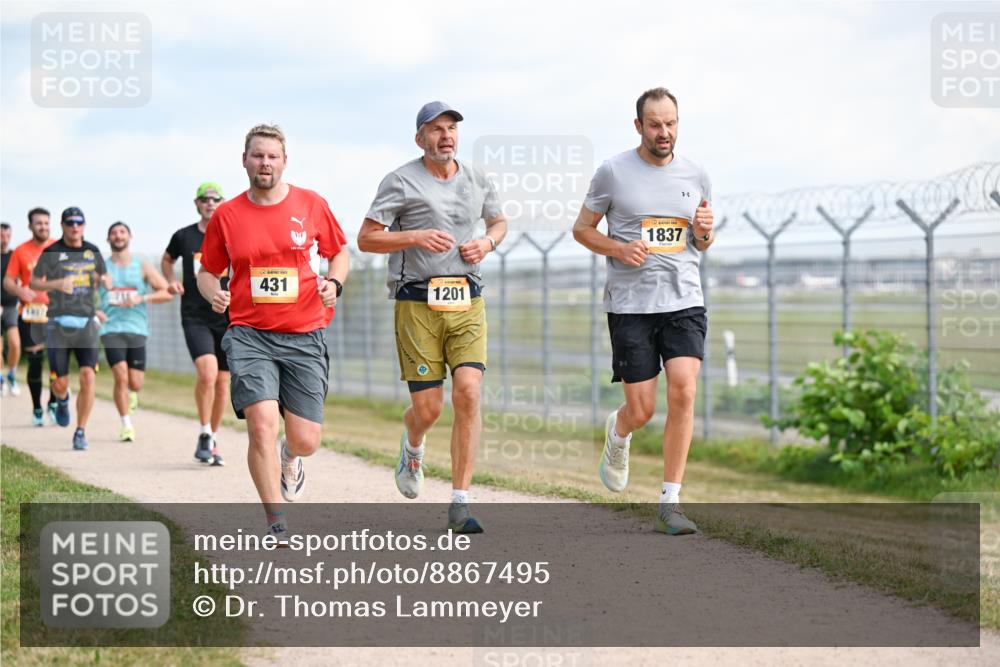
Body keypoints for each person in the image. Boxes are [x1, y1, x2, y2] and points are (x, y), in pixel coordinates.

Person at [357, 101, 507, 534]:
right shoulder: (400, 181)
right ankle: (414, 443)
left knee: (469, 393)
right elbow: (367, 238)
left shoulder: (477, 178)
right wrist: (415, 236)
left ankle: (460, 502)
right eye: (436, 129)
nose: (446, 136)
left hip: (467, 301)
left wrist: (488, 244)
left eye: (452, 128)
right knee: (428, 408)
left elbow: (498, 223)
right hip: (417, 303)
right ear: (419, 138)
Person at [572, 87, 716, 536]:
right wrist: (618, 247)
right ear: (639, 126)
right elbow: (581, 229)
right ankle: (619, 431)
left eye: (671, 123)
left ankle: (671, 502)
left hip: (684, 298)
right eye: (655, 124)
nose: (664, 132)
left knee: (685, 391)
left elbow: (701, 242)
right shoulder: (613, 172)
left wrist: (705, 234)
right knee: (643, 409)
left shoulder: (697, 174)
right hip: (631, 304)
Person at [197, 123, 348, 538]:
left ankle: (290, 457)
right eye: (258, 155)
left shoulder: (311, 203)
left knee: (306, 440)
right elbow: (207, 271)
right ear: (244, 160)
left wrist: (334, 283)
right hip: (249, 333)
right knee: (262, 422)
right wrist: (214, 292)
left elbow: (339, 254)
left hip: (304, 332)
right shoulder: (227, 214)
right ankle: (275, 519)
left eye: (273, 156)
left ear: (284, 161)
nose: (265, 163)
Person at [30, 207, 110, 450]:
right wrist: (56, 283)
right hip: (58, 323)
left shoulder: (92, 251)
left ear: (84, 225)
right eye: (70, 222)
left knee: (88, 376)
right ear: (63, 226)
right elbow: (33, 282)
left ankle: (80, 430)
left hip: (86, 322)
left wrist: (104, 290)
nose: (75, 226)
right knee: (60, 383)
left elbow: (104, 281)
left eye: (79, 222)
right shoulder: (52, 251)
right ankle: (62, 400)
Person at [162, 182, 231, 465]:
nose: (210, 203)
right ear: (197, 203)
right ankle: (204, 431)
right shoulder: (184, 236)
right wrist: (171, 280)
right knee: (207, 373)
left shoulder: (232, 234)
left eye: (215, 199)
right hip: (195, 315)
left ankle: (212, 439)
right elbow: (167, 260)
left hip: (229, 316)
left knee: (224, 382)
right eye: (205, 199)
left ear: (222, 203)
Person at [99, 221, 172, 442]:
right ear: (108, 239)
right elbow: (82, 293)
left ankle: (132, 395)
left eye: (122, 232)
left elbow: (166, 292)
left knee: (135, 382)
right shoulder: (100, 268)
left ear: (129, 237)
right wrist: (95, 308)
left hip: (137, 328)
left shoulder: (142, 265)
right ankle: (126, 424)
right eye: (113, 233)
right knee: (120, 376)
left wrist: (142, 297)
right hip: (111, 327)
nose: (118, 236)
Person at [3, 208, 58, 425]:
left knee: (57, 361)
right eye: (38, 223)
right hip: (31, 313)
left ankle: (54, 402)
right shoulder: (20, 251)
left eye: (46, 223)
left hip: (56, 313)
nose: (43, 227)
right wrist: (19, 291)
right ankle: (37, 409)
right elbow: (8, 281)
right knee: (36, 364)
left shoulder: (58, 248)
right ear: (30, 226)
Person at [0, 222, 20, 396]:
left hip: (11, 307)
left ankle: (12, 374)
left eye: (7, 236)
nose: (4, 240)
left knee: (15, 344)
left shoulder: (14, 256)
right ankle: (0, 379)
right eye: (1, 236)